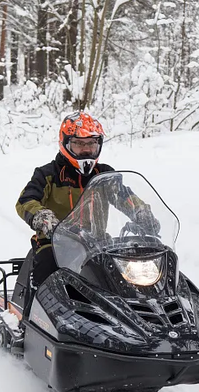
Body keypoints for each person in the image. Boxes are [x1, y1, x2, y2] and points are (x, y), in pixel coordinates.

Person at [15, 111, 157, 287]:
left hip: (97, 244)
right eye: (79, 144)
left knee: (127, 279)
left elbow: (124, 196)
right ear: (65, 143)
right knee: (46, 269)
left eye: (92, 143)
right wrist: (44, 218)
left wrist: (141, 212)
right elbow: (26, 201)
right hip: (56, 244)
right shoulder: (48, 174)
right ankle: (29, 312)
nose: (87, 149)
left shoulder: (104, 174)